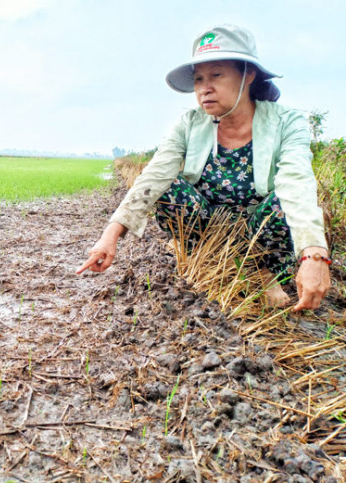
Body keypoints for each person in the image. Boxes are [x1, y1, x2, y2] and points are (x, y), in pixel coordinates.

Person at [77, 24, 331, 311]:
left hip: (259, 232)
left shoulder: (287, 122)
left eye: (216, 75)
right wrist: (109, 236)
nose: (204, 89)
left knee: (285, 200)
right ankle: (201, 257)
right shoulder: (189, 123)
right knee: (165, 187)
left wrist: (314, 256)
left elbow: (296, 181)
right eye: (198, 79)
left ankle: (261, 272)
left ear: (249, 74)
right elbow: (154, 176)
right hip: (208, 228)